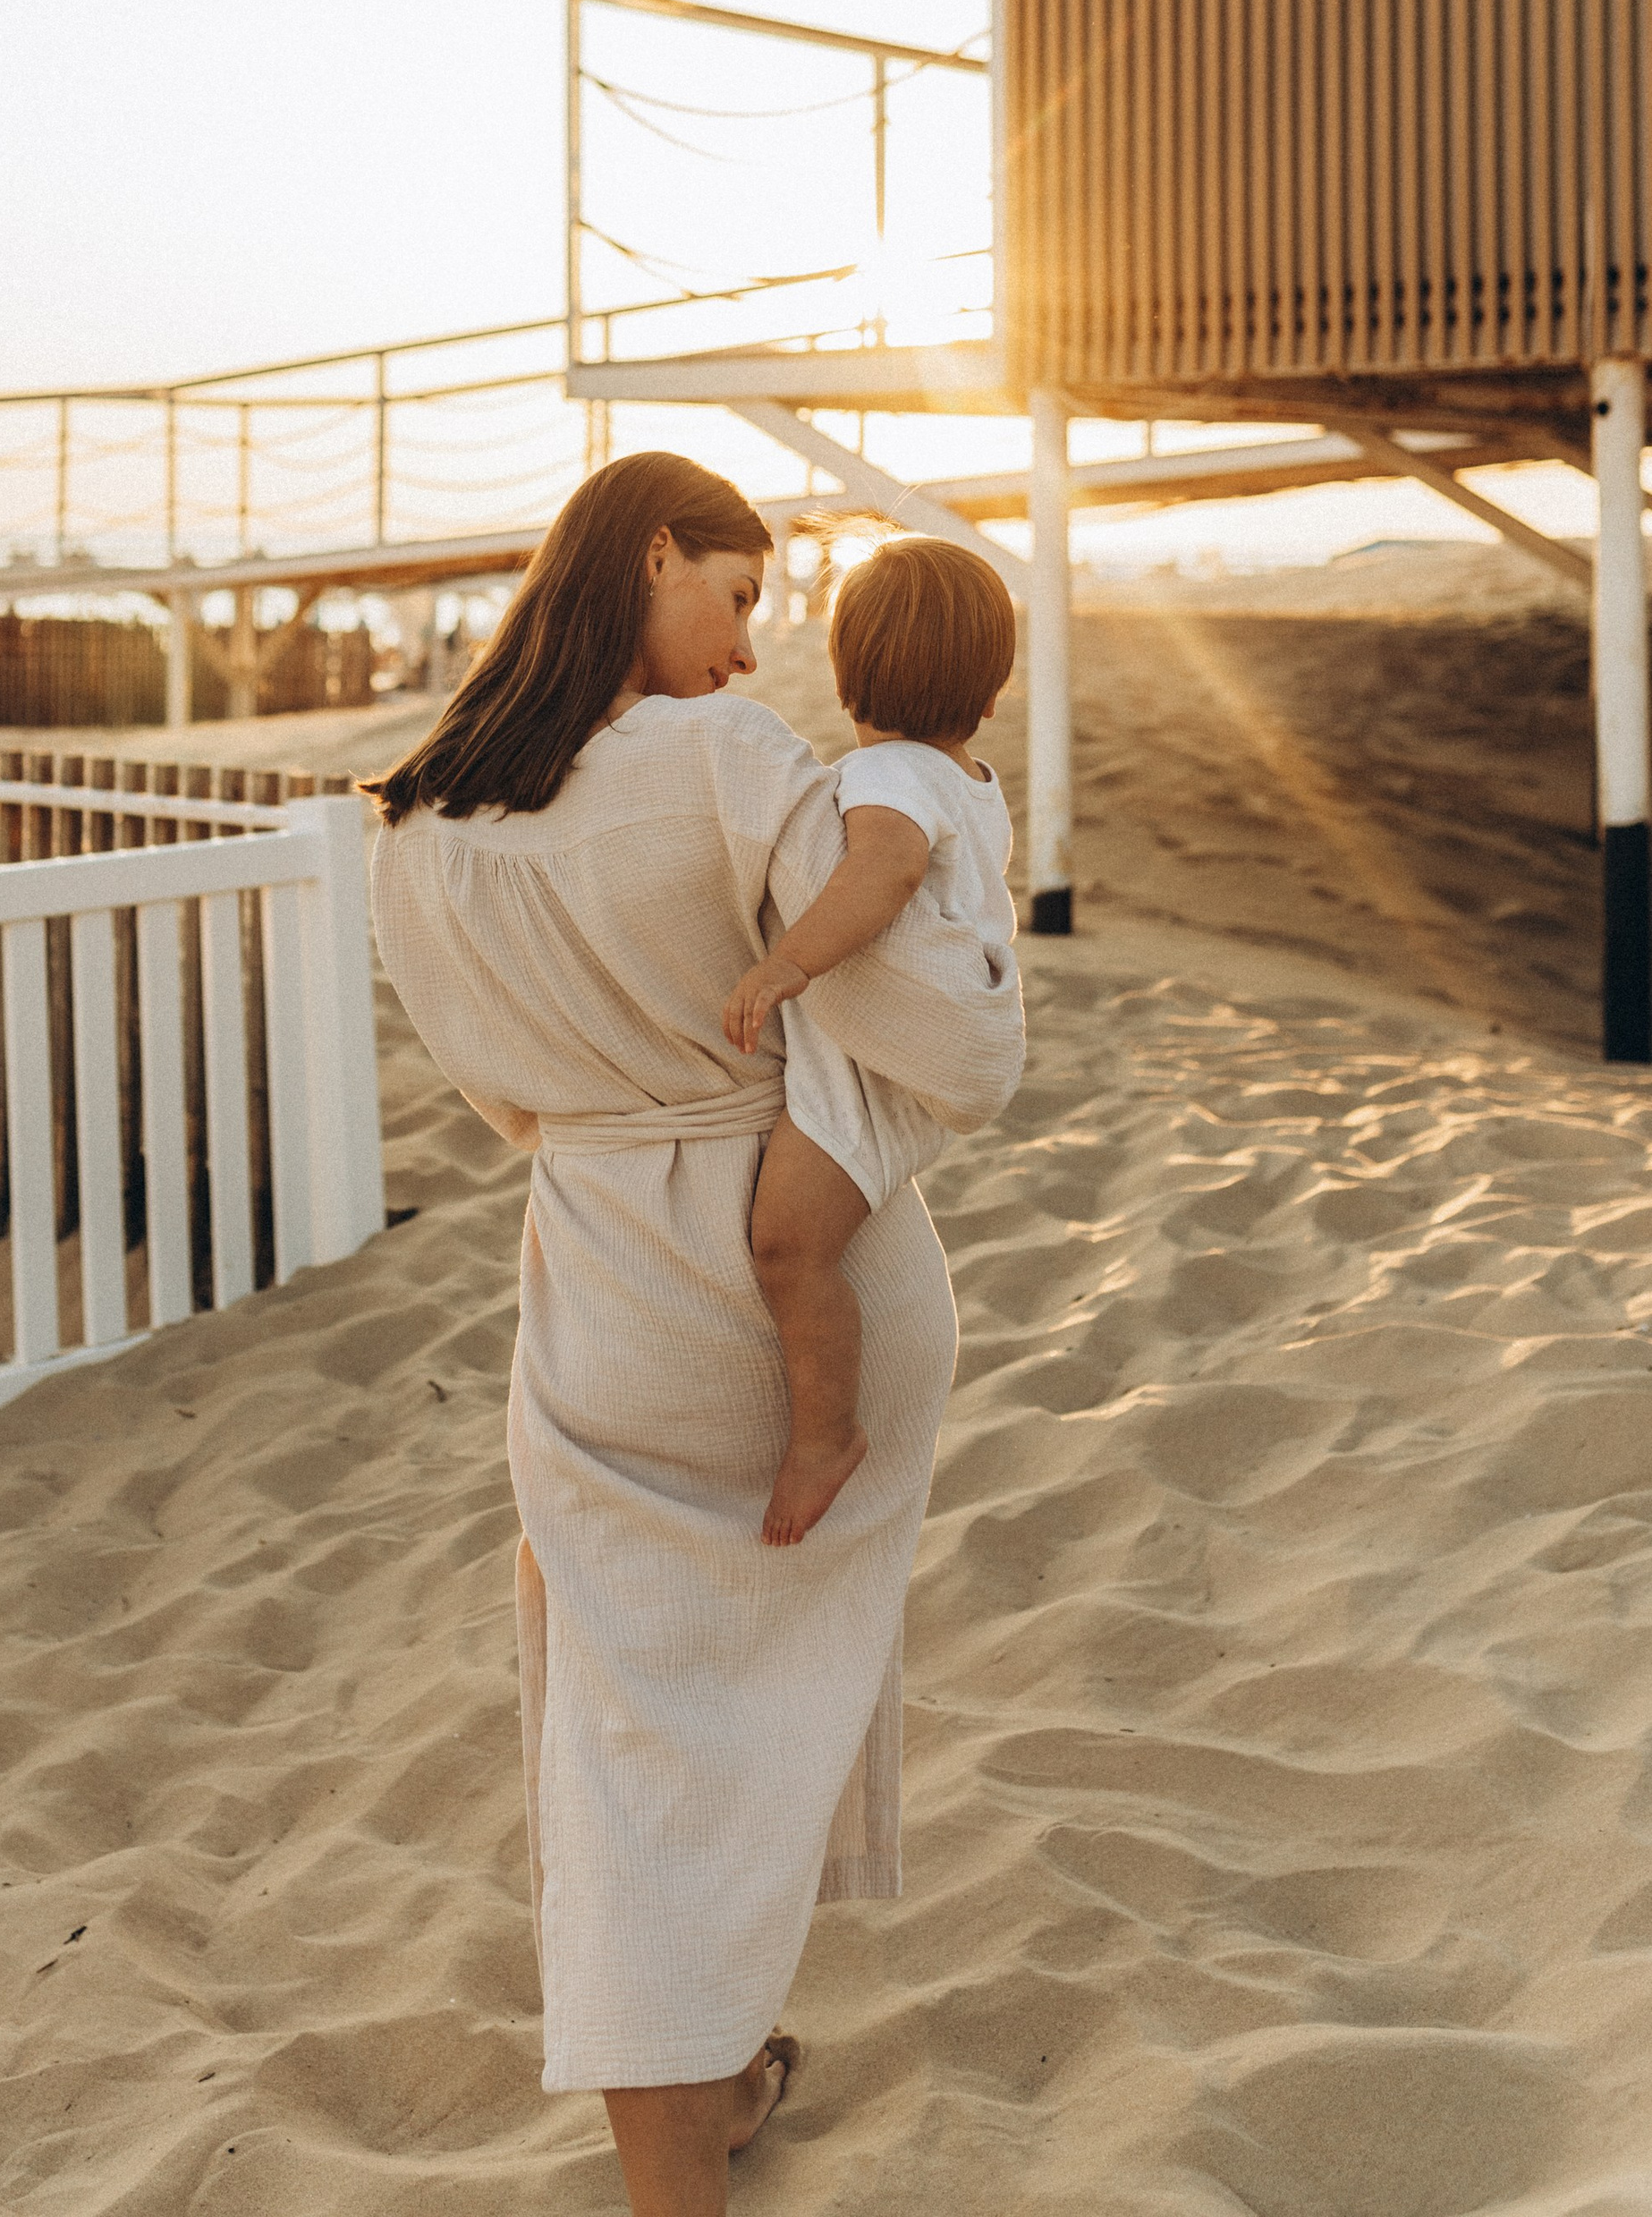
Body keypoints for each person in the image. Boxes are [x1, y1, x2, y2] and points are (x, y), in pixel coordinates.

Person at [367, 454, 1024, 2217]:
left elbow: (496, 1094)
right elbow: (949, 1053)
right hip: (790, 1258)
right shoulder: (735, 766)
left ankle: (703, 2102)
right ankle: (706, 2078)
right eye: (733, 600)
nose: (747, 655)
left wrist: (609, 1115)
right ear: (651, 555)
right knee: (765, 1698)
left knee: (626, 1719)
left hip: (596, 1279)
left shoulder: (419, 819)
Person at [723, 536, 1020, 1548]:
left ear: (853, 669)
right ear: (988, 685)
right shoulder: (971, 780)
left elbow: (881, 873)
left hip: (868, 1072)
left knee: (786, 1248)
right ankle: (826, 1429)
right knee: (799, 1245)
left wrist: (785, 963)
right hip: (901, 1071)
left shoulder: (885, 774)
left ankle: (824, 1437)